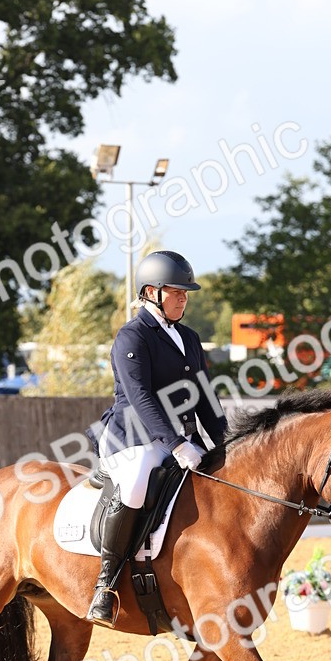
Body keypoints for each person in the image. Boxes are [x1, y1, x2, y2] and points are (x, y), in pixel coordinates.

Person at [86, 249, 228, 626]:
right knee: (135, 485)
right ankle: (106, 584)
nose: (184, 298)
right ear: (151, 292)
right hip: (132, 439)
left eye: (186, 293)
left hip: (180, 440)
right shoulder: (132, 336)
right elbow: (141, 398)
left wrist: (226, 442)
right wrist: (177, 444)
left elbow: (205, 396)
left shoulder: (189, 338)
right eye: (177, 292)